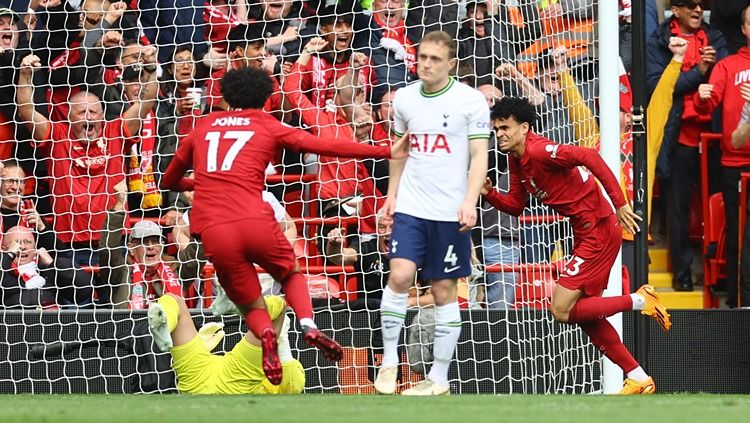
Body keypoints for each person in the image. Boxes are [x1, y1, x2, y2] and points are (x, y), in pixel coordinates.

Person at [160, 66, 409, 385]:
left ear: (226, 95)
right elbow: (325, 145)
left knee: (250, 300)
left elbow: (168, 179)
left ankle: (265, 334)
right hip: (255, 218)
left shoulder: (203, 127)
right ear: (266, 97)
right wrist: (383, 149)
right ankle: (308, 323)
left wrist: (199, 183)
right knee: (289, 272)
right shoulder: (267, 124)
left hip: (215, 228)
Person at [483, 97, 672, 395]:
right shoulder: (516, 158)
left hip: (598, 230)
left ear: (524, 127)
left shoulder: (539, 149)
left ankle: (639, 300)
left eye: (505, 127)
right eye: (496, 129)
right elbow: (517, 206)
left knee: (560, 310)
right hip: (586, 234)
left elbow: (590, 157)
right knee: (583, 314)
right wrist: (491, 193)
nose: (500, 134)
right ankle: (638, 376)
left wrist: (620, 204)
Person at [373, 31, 489, 396]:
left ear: (451, 63)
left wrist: (470, 201)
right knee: (400, 274)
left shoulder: (470, 101)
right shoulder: (405, 98)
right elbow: (400, 151)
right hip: (411, 206)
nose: (426, 63)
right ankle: (390, 362)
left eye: (435, 59)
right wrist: (391, 196)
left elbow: (479, 156)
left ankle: (438, 379)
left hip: (449, 211)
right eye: (422, 56)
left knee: (443, 291)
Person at [647, 0, 728, 292]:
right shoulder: (658, 39)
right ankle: (682, 273)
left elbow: (726, 78)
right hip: (678, 136)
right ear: (675, 9)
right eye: (691, 4)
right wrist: (699, 72)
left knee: (721, 203)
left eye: (702, 4)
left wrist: (712, 70)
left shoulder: (715, 37)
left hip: (714, 136)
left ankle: (724, 272)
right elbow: (658, 87)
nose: (698, 9)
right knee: (678, 208)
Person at [694, 4, 750, 307]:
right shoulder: (727, 65)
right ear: (743, 29)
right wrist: (702, 96)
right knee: (737, 233)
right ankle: (736, 300)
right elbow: (708, 104)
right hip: (734, 163)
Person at [147, 292, 305, 395]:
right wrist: (281, 341)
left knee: (174, 301)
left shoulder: (283, 380)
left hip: (206, 376)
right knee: (277, 310)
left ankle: (166, 319)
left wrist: (282, 343)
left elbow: (292, 386)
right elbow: (293, 386)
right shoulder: (283, 374)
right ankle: (242, 305)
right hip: (231, 380)